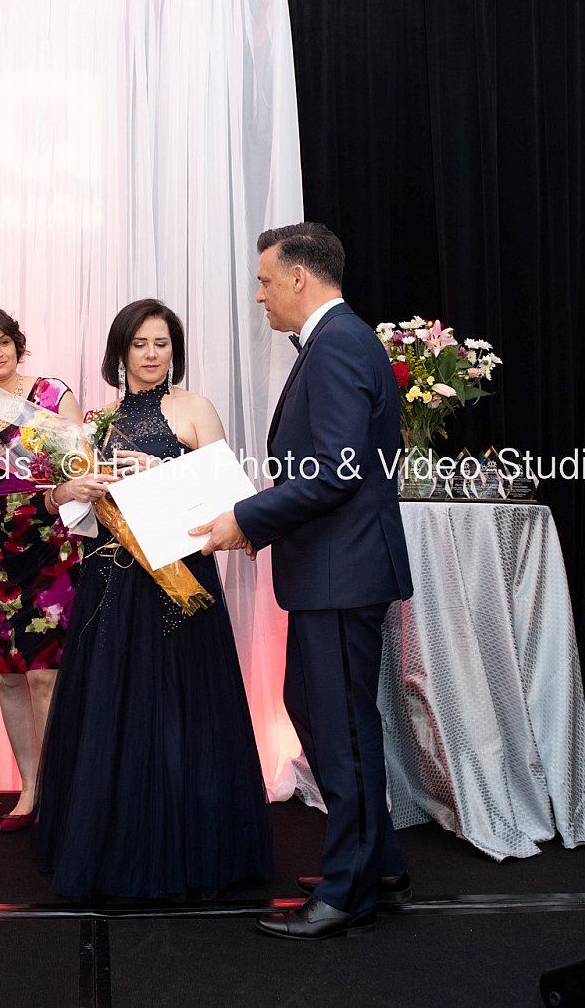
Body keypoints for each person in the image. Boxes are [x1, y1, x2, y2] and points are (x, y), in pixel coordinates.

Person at [194, 223, 413, 939]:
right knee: (319, 710)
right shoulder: (338, 340)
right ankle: (377, 860)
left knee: (340, 725)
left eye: (264, 280)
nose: (259, 295)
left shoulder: (339, 342)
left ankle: (350, 890)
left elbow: (335, 473)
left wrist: (246, 518)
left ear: (298, 277)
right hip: (334, 568)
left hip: (342, 572)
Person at [32, 299, 271, 899]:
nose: (151, 354)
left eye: (162, 343)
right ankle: (114, 846)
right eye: (140, 343)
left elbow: (228, 499)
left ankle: (191, 846)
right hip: (113, 586)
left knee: (181, 712)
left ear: (175, 350)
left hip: (179, 584)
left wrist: (160, 469)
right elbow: (58, 504)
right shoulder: (97, 423)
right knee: (115, 712)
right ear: (120, 350)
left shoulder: (194, 409)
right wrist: (73, 487)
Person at [0, 306, 98, 831]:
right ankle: (29, 786)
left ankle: (59, 789)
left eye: (3, 341)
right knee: (10, 676)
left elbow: (85, 475)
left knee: (47, 678)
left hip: (55, 549)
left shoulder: (53, 396)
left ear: (17, 343)